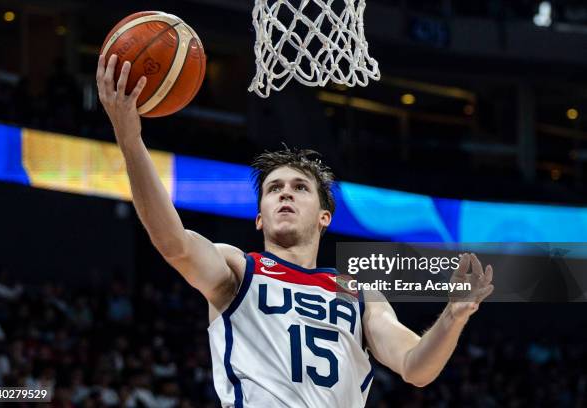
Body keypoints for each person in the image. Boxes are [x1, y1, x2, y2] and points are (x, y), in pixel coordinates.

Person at [96, 54, 494, 408]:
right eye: (274, 189)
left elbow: (416, 368)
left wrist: (454, 316)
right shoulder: (238, 269)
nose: (285, 193)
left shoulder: (358, 293)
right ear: (260, 218)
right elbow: (173, 242)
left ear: (324, 217)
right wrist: (131, 142)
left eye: (300, 187)